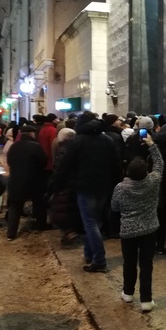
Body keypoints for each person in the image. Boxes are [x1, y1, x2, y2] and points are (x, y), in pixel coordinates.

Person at [50, 111, 120, 272]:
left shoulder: (77, 142)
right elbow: (116, 165)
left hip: (84, 188)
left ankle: (99, 260)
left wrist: (55, 184)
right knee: (96, 222)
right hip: (103, 188)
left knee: (90, 224)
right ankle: (89, 254)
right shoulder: (107, 140)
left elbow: (64, 166)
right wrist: (115, 185)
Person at [111, 132, 163, 312]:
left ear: (128, 172)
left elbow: (114, 207)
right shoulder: (153, 182)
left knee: (129, 262)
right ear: (146, 172)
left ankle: (127, 293)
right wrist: (151, 145)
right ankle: (146, 299)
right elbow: (159, 164)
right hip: (149, 228)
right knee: (147, 265)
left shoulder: (121, 188)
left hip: (128, 231)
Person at [5, 125, 48, 240]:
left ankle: (11, 233)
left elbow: (9, 161)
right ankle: (41, 225)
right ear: (31, 134)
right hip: (33, 179)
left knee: (15, 206)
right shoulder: (36, 146)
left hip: (15, 179)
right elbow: (43, 162)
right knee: (39, 203)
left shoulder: (14, 146)